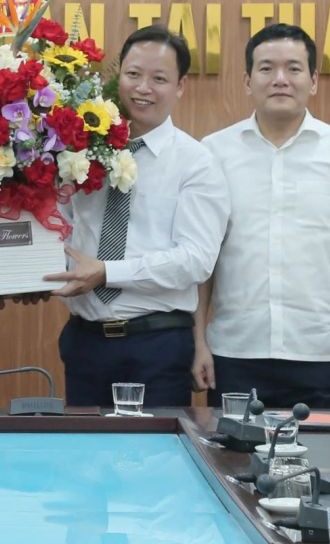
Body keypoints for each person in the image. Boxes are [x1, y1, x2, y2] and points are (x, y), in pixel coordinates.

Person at [198, 23, 330, 409]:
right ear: (248, 81)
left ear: (314, 81)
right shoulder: (213, 152)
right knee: (233, 449)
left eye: (294, 68)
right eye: (267, 68)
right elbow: (202, 257)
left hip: (324, 354)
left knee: (321, 450)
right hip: (235, 354)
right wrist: (197, 340)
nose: (280, 79)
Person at [45, 26, 230, 408]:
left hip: (157, 346)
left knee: (154, 445)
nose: (143, 88)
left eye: (159, 79)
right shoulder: (79, 149)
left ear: (180, 86)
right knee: (83, 445)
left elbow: (196, 260)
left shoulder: (196, 162)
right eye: (133, 74)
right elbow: (58, 227)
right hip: (84, 342)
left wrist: (107, 272)